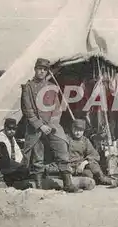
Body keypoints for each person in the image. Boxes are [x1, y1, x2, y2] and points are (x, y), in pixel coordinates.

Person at [21, 58, 80, 193]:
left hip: (52, 126)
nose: (41, 72)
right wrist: (40, 126)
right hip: (35, 127)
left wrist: (53, 124)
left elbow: (57, 108)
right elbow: (27, 110)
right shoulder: (27, 88)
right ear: (35, 69)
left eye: (44, 69)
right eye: (39, 69)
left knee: (62, 146)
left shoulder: (51, 87)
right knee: (37, 155)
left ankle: (67, 183)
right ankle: (39, 186)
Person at [46, 119, 114, 185]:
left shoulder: (85, 140)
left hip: (79, 165)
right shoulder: (66, 139)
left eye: (80, 130)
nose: (78, 133)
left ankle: (104, 179)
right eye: (76, 130)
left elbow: (94, 155)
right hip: (68, 166)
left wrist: (83, 163)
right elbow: (59, 155)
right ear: (72, 129)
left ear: (83, 131)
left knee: (91, 170)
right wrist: (66, 165)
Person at [0, 118, 29, 183]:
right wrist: (18, 165)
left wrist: (21, 162)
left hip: (10, 161)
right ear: (5, 128)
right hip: (2, 163)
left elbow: (17, 150)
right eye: (9, 129)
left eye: (14, 129)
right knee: (23, 171)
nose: (12, 131)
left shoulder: (11, 137)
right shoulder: (0, 139)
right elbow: (5, 159)